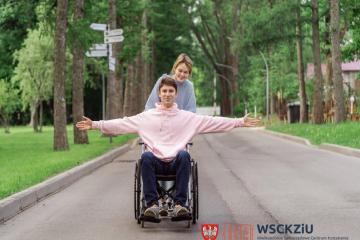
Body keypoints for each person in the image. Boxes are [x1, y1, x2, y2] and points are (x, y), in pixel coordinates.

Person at [76, 76, 260, 222]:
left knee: (184, 154)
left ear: (176, 94)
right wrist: (95, 125)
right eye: (164, 91)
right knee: (146, 156)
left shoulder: (187, 117)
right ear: (159, 94)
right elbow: (122, 124)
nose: (167, 94)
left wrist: (239, 122)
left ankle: (180, 205)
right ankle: (152, 206)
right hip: (154, 163)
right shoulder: (146, 117)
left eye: (171, 91)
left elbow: (213, 121)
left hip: (177, 163)